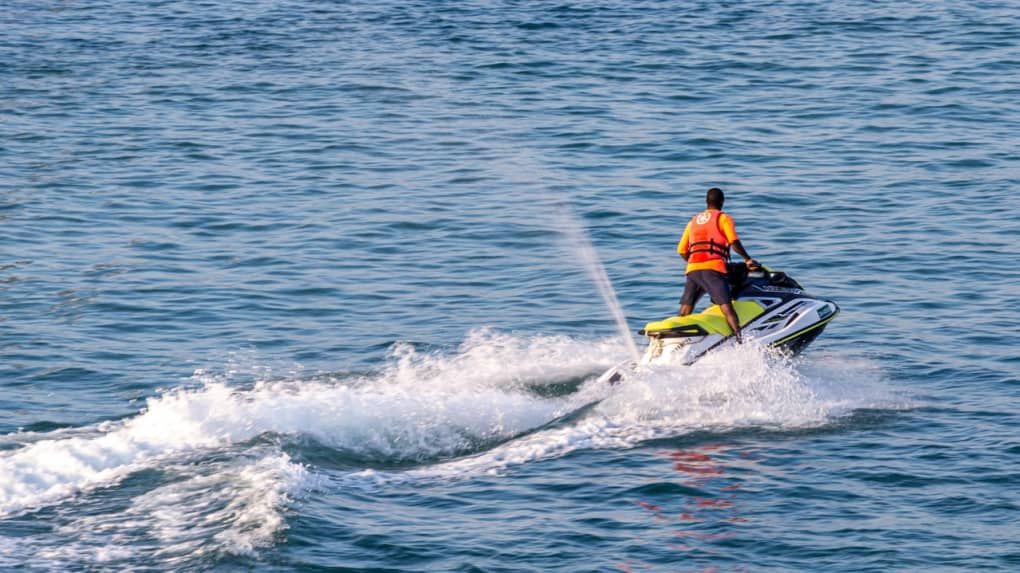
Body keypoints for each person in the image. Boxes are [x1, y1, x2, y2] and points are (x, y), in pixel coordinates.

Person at [677, 187, 759, 343]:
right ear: (722, 202)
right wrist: (748, 259)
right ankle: (740, 342)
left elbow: (681, 250)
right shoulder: (723, 218)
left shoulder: (693, 221)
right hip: (713, 269)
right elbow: (733, 242)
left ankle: (679, 341)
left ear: (707, 202)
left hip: (693, 269)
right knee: (726, 307)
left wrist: (695, 261)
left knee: (686, 309)